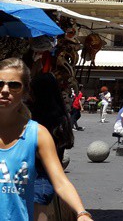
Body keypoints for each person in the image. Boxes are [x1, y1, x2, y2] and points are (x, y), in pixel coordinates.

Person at [0, 58, 93, 221]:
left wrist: (82, 213)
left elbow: (60, 181)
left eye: (14, 85)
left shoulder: (37, 134)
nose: (5, 90)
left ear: (25, 91)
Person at [28, 73, 76, 221]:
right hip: (47, 176)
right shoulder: (61, 116)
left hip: (37, 175)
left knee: (37, 214)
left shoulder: (34, 117)